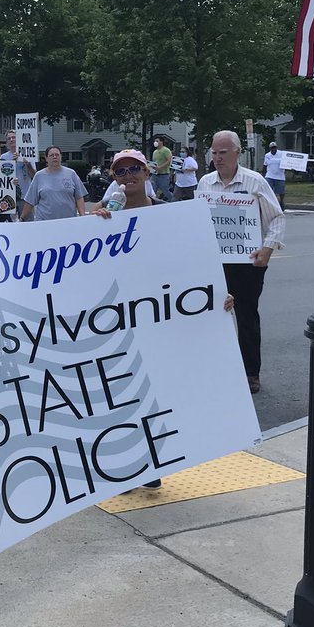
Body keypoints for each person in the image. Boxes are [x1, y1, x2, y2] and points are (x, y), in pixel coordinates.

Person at [92, 149, 234, 486]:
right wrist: (92, 228)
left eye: (134, 170)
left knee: (156, 388)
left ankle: (152, 464)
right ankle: (126, 464)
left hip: (158, 314)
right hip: (120, 317)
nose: (127, 176)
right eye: (120, 171)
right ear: (114, 177)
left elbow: (191, 261)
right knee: (122, 392)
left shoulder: (169, 215)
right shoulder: (104, 218)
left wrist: (217, 293)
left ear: (146, 172)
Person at [198, 130, 285, 395]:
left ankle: (250, 373)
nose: (217, 158)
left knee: (246, 316)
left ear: (237, 152)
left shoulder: (254, 182)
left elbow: (277, 219)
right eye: (214, 153)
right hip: (215, 261)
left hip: (247, 262)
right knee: (211, 315)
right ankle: (215, 369)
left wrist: (268, 248)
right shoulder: (205, 183)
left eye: (222, 152)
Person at [20, 146, 87, 220]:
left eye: (57, 155)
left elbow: (79, 197)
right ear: (46, 158)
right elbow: (30, 201)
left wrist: (82, 216)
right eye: (51, 155)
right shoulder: (39, 176)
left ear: (61, 157)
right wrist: (22, 218)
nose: (54, 157)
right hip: (45, 222)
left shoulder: (71, 174)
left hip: (68, 221)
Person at [4, 128, 36, 219]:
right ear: (6, 142)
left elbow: (34, 176)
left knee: (28, 223)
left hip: (26, 196)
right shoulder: (3, 157)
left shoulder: (28, 154)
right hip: (9, 196)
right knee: (10, 224)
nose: (11, 140)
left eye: (13, 137)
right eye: (9, 138)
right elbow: (2, 177)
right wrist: (11, 163)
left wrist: (28, 164)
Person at [262, 141, 286, 211]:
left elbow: (287, 162)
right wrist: (263, 176)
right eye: (272, 148)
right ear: (270, 149)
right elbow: (265, 165)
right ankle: (271, 204)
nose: (273, 149)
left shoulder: (281, 154)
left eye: (275, 148)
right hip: (270, 175)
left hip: (280, 176)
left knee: (281, 191)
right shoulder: (267, 155)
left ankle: (281, 202)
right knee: (269, 190)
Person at [151, 136, 174, 202]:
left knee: (165, 191)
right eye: (155, 141)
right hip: (154, 175)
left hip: (163, 175)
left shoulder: (166, 150)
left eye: (157, 141)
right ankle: (152, 203)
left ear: (161, 142)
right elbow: (155, 163)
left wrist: (160, 167)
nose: (156, 142)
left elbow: (169, 161)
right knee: (152, 190)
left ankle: (174, 201)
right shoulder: (155, 152)